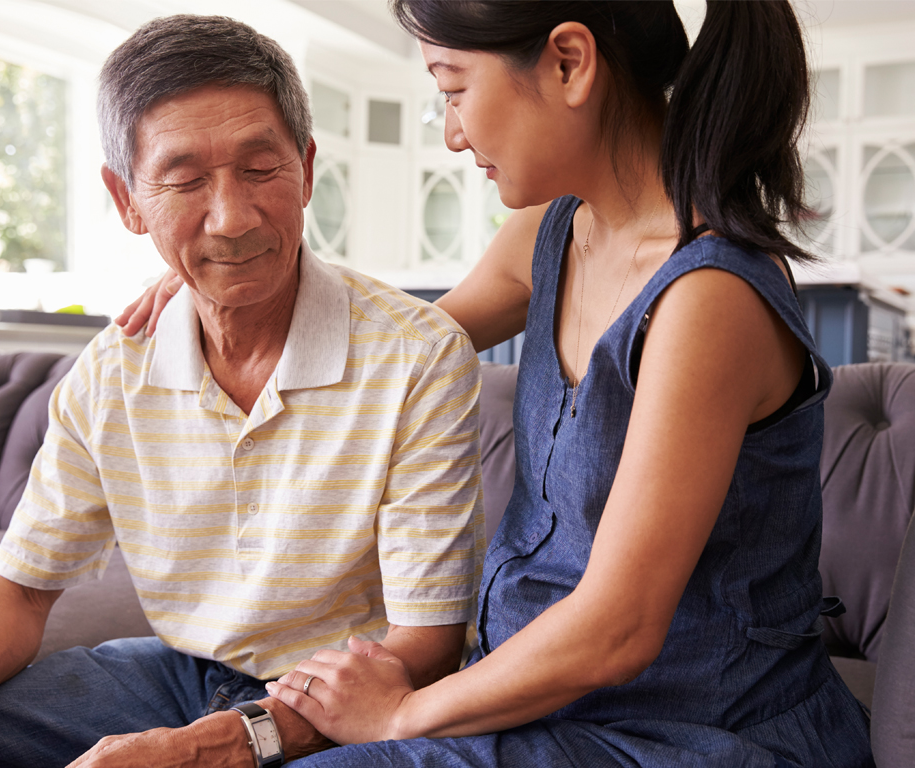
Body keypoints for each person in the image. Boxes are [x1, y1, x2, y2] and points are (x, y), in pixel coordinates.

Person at [119, 1, 875, 766]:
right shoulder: (552, 232)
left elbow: (620, 627)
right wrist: (221, 288)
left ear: (569, 64)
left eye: (453, 89)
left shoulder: (709, 297)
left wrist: (400, 713)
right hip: (534, 706)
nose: (452, 132)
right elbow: (385, 353)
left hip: (686, 734)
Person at [0, 15, 486, 768]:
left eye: (260, 169)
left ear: (307, 170)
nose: (233, 218)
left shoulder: (418, 358)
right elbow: (19, 590)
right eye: (185, 180)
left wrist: (218, 745)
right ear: (126, 200)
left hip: (350, 699)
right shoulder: (111, 373)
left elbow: (428, 645)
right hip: (176, 672)